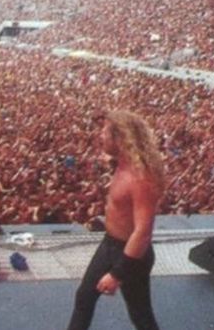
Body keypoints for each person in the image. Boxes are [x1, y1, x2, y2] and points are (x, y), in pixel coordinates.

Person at [68, 110, 165, 330]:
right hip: (109, 244)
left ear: (120, 138)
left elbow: (142, 232)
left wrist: (117, 274)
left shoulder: (141, 178)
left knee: (140, 314)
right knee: (84, 297)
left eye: (104, 132)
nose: (100, 136)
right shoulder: (123, 164)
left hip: (131, 254)